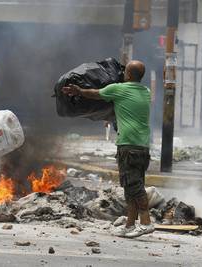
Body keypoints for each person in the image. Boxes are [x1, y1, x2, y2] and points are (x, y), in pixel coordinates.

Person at [62, 60, 153, 238]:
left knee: (135, 187)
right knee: (130, 187)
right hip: (142, 147)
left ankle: (146, 222)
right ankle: (129, 225)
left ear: (127, 74)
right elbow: (124, 107)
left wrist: (78, 91)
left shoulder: (118, 89)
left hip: (129, 146)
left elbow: (95, 94)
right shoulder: (146, 92)